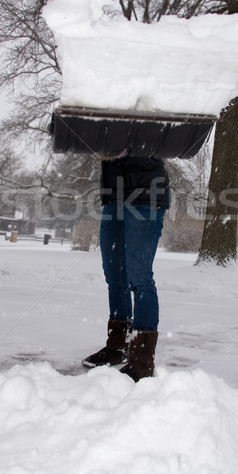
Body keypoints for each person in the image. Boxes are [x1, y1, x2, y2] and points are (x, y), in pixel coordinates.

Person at [82, 152, 170, 382]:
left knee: (139, 276)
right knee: (114, 275)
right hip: (114, 196)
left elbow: (165, 140)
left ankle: (142, 361)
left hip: (146, 196)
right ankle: (117, 346)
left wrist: (130, 148)